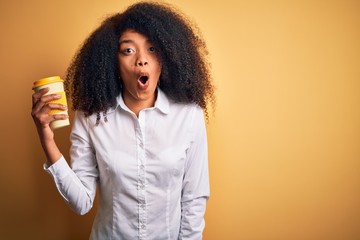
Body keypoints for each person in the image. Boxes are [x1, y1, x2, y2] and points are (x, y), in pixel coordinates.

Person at [31, 2, 215, 239]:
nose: (141, 60)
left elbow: (194, 200)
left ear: (165, 58)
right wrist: (47, 140)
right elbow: (81, 203)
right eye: (128, 50)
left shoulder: (188, 115)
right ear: (113, 62)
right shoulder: (90, 117)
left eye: (152, 49)